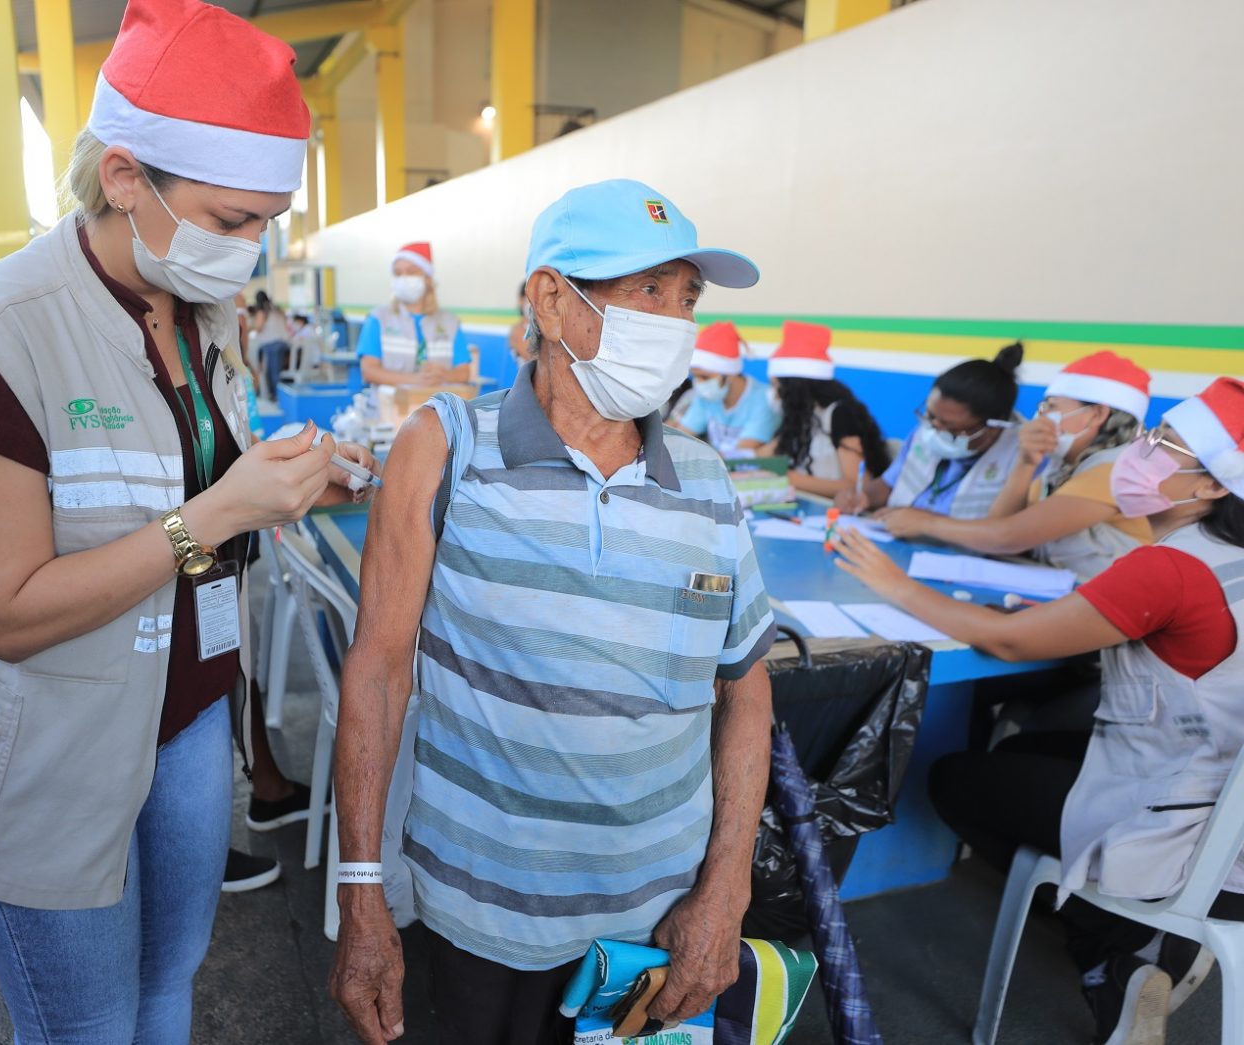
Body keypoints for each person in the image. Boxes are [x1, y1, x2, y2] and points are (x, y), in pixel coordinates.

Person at [0, 5, 376, 1041]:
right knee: (87, 1024)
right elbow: (8, 613)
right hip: (51, 741)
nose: (248, 250)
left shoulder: (194, 311)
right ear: (123, 177)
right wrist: (214, 514)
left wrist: (290, 482)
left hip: (188, 714)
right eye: (228, 219)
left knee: (170, 985)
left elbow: (198, 474)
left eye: (264, 222)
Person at [330, 179, 776, 1045]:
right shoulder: (446, 447)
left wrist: (726, 890)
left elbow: (746, 691)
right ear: (550, 298)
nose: (675, 321)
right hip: (482, 912)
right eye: (648, 290)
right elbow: (379, 669)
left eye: (687, 298)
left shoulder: (708, 482)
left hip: (654, 922)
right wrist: (361, 891)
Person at [832, 377, 1244, 1045]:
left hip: (1180, 828)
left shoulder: (1169, 567)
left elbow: (1006, 640)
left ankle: (1116, 952)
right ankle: (1137, 937)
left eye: (1165, 445)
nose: (1142, 451)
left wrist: (895, 584)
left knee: (954, 778)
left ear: (1213, 485)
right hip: (1228, 815)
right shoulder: (1224, 560)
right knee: (1020, 757)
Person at [878, 351, 1153, 581]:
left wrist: (925, 522)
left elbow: (1005, 538)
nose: (1040, 416)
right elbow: (998, 529)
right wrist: (1025, 462)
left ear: (1096, 414)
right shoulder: (1061, 467)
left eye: (1051, 407)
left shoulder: (1116, 469)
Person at [839, 343, 1025, 518]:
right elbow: (889, 483)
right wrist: (862, 496)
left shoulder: (1021, 456)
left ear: (993, 427)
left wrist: (926, 524)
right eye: (931, 415)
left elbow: (1006, 534)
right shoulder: (927, 430)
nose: (935, 428)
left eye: (950, 427)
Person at [760, 321, 890, 497]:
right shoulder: (800, 416)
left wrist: (791, 479)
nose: (774, 395)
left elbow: (858, 485)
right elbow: (764, 455)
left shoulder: (841, 414)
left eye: (778, 388)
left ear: (796, 388)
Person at [356, 242, 469, 387]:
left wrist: (443, 375)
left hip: (435, 408)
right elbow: (369, 371)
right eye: (398, 273)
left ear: (428, 278)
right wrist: (415, 380)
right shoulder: (378, 319)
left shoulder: (450, 323)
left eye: (411, 272)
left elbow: (464, 373)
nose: (403, 278)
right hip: (388, 407)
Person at [671, 321, 780, 454]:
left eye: (705, 377)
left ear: (730, 374)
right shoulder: (706, 396)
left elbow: (744, 451)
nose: (699, 384)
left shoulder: (764, 399)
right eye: (696, 377)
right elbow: (681, 437)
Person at [253, 289, 291, 398]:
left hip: (271, 344)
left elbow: (258, 327)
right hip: (283, 343)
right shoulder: (276, 309)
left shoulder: (262, 311)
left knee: (272, 372)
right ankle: (280, 396)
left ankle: (277, 396)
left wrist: (249, 327)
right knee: (277, 371)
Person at [506, 280, 532, 363]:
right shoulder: (517, 331)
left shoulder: (539, 328)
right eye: (530, 297)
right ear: (521, 301)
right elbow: (533, 358)